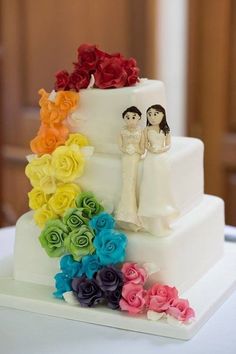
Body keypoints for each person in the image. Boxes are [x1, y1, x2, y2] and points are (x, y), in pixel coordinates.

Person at [138, 104, 179, 236]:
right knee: (151, 186)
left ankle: (163, 217)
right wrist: (150, 149)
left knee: (161, 186)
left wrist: (160, 150)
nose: (152, 117)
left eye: (155, 114)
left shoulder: (165, 130)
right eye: (149, 114)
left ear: (162, 115)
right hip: (150, 160)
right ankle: (149, 219)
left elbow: (168, 144)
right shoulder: (146, 130)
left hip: (162, 160)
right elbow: (144, 144)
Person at [115, 106, 145, 231]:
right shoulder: (121, 131)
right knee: (127, 181)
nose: (131, 120)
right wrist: (126, 150)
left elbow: (143, 149)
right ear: (124, 119)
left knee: (131, 181)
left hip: (135, 156)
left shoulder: (141, 132)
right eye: (128, 117)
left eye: (133, 117)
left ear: (138, 118)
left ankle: (131, 215)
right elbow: (120, 146)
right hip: (126, 157)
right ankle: (125, 213)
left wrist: (135, 150)